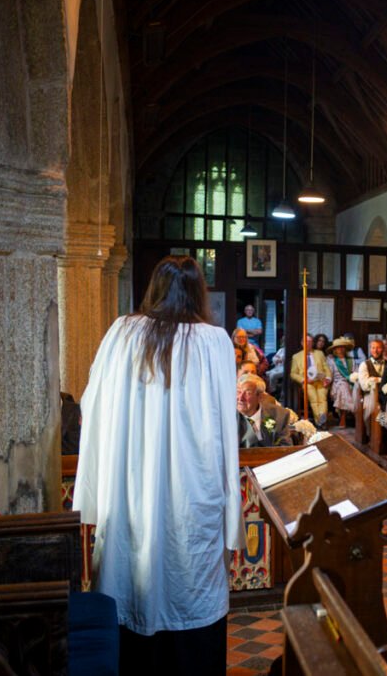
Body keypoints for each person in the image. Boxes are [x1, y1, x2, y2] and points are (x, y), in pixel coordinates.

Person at [73, 255, 243, 674]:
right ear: (197, 293)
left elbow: (92, 407)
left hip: (129, 491)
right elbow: (225, 425)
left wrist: (96, 487)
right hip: (192, 493)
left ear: (153, 289)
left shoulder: (120, 333)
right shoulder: (215, 341)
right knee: (190, 584)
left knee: (130, 574)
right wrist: (231, 508)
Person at [237, 373, 295, 447]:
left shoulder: (278, 415)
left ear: (260, 397)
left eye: (248, 393)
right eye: (238, 392)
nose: (240, 398)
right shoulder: (227, 417)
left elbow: (285, 448)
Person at [291, 335, 331, 427]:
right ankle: (321, 419)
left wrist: (328, 379)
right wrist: (304, 380)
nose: (308, 343)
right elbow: (293, 374)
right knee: (314, 398)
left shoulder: (319, 353)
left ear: (313, 343)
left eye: (310, 341)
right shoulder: (296, 356)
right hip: (307, 381)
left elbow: (326, 368)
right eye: (306, 341)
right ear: (302, 343)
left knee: (322, 398)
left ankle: (320, 419)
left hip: (320, 380)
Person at [327, 337, 356, 422]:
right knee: (343, 386)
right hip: (337, 383)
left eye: (342, 347)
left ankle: (352, 415)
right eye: (338, 347)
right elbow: (330, 374)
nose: (340, 349)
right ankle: (349, 414)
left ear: (345, 348)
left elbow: (355, 372)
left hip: (351, 382)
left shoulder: (351, 360)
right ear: (334, 349)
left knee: (351, 388)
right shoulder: (332, 360)